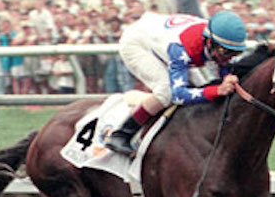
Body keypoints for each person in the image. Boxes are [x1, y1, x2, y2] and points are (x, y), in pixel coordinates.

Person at [105, 10, 248, 155]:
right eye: (225, 52)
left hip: (160, 36)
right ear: (209, 43)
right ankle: (121, 134)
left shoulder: (219, 40)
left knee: (203, 86)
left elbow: (224, 66)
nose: (230, 58)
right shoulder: (182, 50)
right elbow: (178, 95)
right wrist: (217, 90)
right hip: (137, 43)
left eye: (235, 53)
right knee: (165, 92)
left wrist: (227, 77)